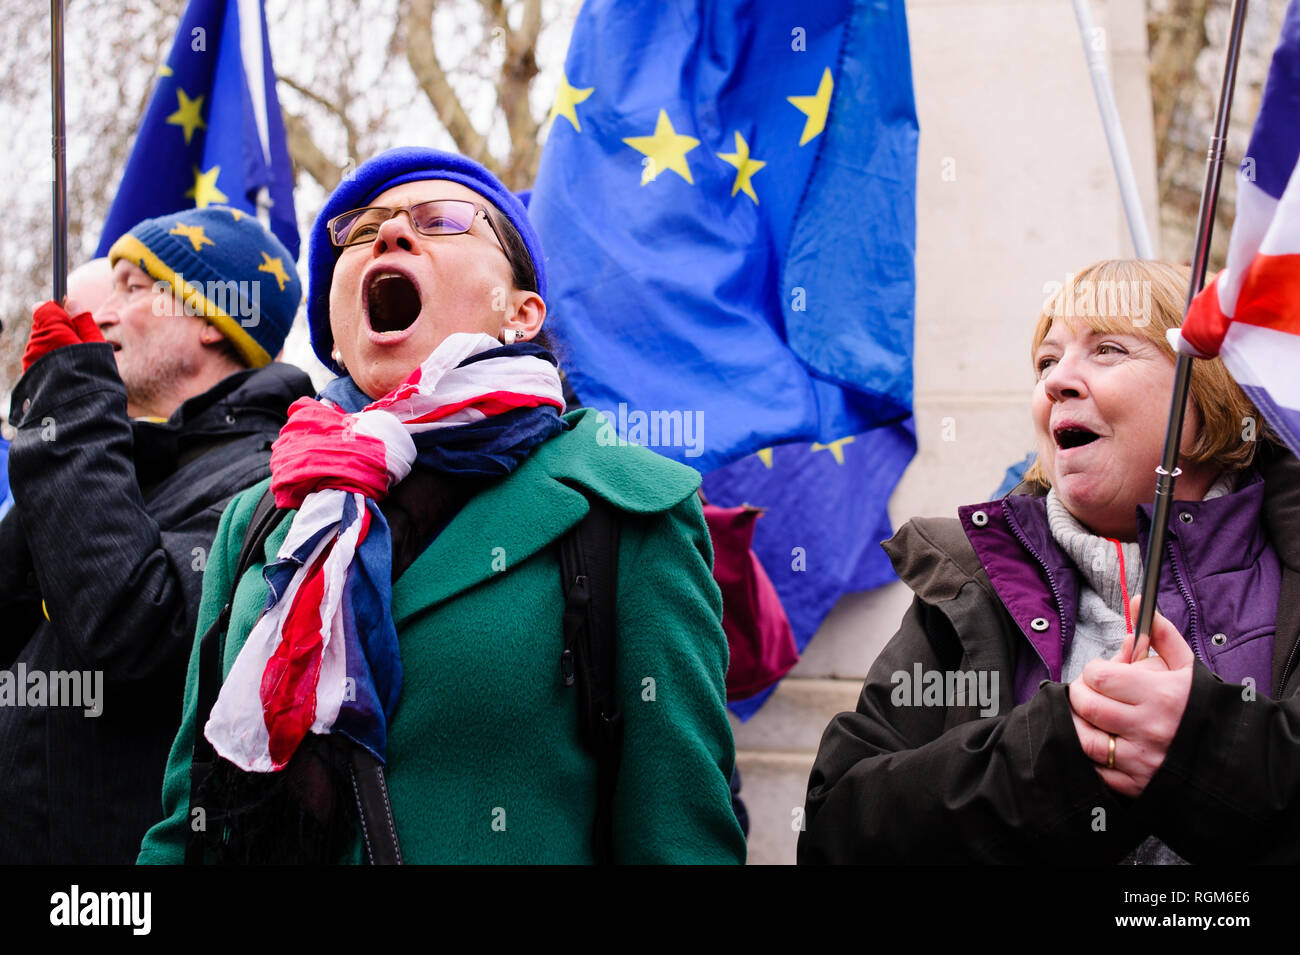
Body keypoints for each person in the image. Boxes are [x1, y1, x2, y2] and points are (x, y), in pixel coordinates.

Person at [138, 147, 746, 864]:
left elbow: (680, 837)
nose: (390, 235)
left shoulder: (624, 507)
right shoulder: (264, 515)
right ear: (334, 332)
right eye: (363, 231)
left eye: (443, 221)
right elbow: (187, 819)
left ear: (521, 313)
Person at [799, 258, 1300, 864]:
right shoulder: (966, 582)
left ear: (1208, 396)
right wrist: (1056, 752)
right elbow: (835, 833)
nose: (1058, 380)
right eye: (1046, 362)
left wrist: (1203, 748)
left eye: (1108, 350)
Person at [0, 207, 313, 863]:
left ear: (208, 318)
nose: (102, 313)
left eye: (132, 288)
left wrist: (73, 413)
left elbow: (138, 628)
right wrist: (52, 423)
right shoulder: (127, 460)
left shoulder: (271, 479)